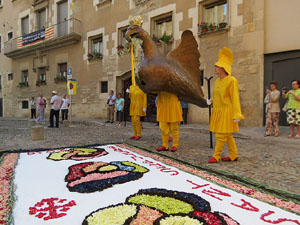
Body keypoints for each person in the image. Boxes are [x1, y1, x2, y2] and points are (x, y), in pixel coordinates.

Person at [207, 47, 244, 163]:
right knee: (227, 135)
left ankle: (216, 156)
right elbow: (218, 96)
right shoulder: (217, 81)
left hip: (227, 111)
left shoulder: (232, 80)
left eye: (217, 66)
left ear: (224, 68)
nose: (215, 68)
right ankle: (233, 154)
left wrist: (237, 114)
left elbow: (234, 98)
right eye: (215, 66)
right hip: (218, 110)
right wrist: (211, 102)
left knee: (221, 135)